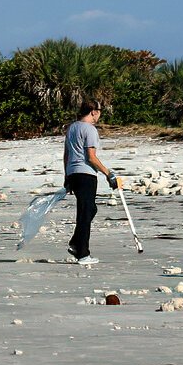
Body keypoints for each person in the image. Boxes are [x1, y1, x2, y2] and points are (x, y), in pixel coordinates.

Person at [62, 101, 123, 265]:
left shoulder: (72, 128)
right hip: (86, 174)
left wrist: (67, 177)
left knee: (89, 209)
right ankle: (82, 253)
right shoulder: (89, 129)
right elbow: (91, 157)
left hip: (74, 173)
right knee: (85, 211)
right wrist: (108, 174)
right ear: (93, 112)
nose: (100, 114)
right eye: (100, 111)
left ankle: (76, 242)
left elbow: (66, 155)